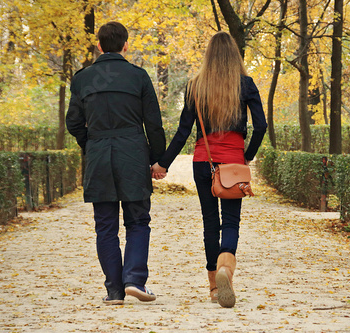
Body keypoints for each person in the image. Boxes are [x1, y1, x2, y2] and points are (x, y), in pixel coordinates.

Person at [151, 31, 267, 308]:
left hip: (204, 161)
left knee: (209, 222)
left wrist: (162, 164)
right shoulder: (246, 84)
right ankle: (227, 267)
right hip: (233, 164)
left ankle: (215, 286)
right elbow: (261, 126)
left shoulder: (195, 86)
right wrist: (247, 156)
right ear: (234, 56)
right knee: (230, 221)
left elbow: (182, 133)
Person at [66, 21, 166, 305]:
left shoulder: (83, 78)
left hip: (99, 155)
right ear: (126, 45)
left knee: (105, 225)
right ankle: (134, 279)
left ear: (99, 46)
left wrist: (91, 143)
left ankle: (114, 290)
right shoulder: (138, 76)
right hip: (133, 154)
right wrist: (156, 159)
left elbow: (73, 121)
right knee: (138, 221)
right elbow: (153, 125)